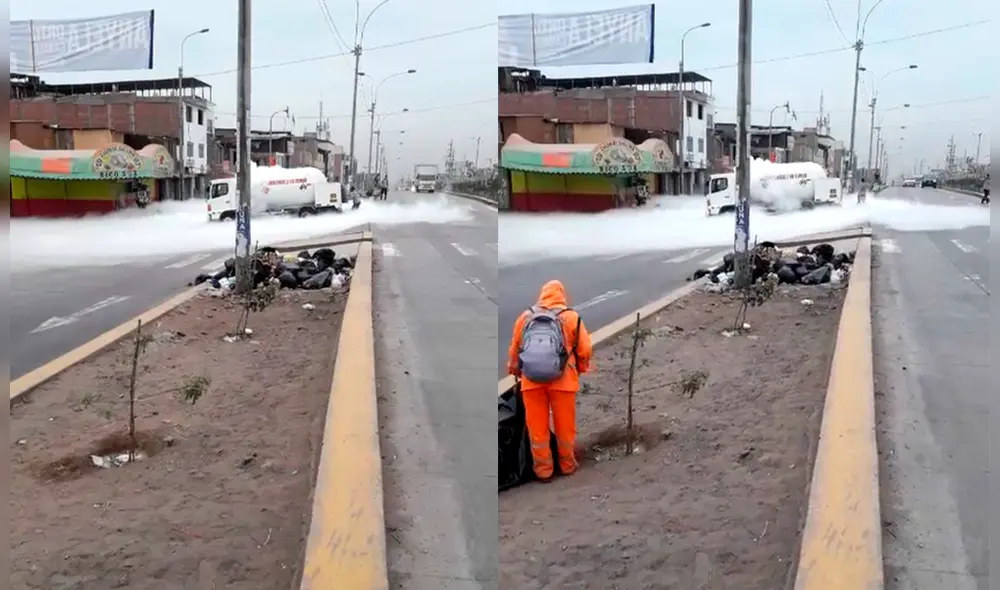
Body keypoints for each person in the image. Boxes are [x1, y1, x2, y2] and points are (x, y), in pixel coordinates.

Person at [507, 280, 592, 482]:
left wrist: (516, 371)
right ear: (562, 295)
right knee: (565, 427)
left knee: (537, 429)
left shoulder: (525, 318)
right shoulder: (571, 317)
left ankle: (543, 470)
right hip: (563, 381)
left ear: (542, 294)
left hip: (531, 382)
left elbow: (514, 352)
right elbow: (585, 349)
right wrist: (579, 369)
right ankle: (567, 465)